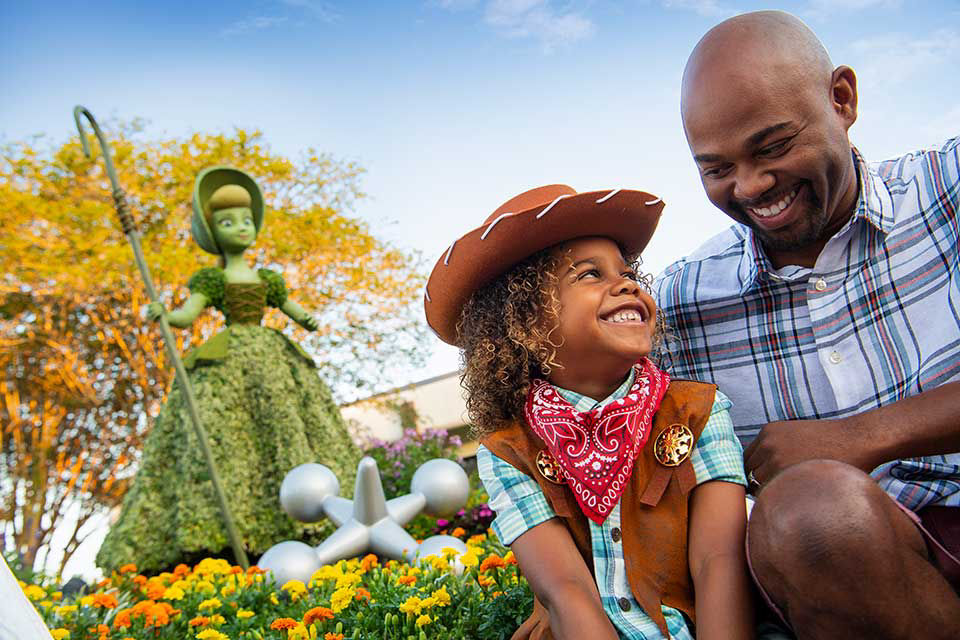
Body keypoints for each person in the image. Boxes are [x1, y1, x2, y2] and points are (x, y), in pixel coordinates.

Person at [655, 10, 960, 638]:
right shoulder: (679, 306)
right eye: (716, 169)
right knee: (808, 511)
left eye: (773, 147)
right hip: (846, 593)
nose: (751, 185)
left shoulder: (947, 190)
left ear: (842, 99)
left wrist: (860, 436)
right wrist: (566, 579)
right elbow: (609, 441)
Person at [424, 185, 755, 639]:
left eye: (626, 271)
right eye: (589, 275)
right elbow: (566, 591)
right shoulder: (508, 452)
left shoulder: (697, 412)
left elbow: (718, 561)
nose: (628, 284)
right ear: (525, 322)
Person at [97, 166, 361, 573]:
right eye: (227, 222)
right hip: (228, 357)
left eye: (244, 220)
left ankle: (314, 519)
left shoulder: (267, 279)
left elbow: (290, 309)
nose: (239, 227)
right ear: (213, 232)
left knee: (283, 422)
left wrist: (305, 317)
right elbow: (187, 315)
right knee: (229, 432)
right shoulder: (213, 280)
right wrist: (164, 314)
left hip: (272, 355)